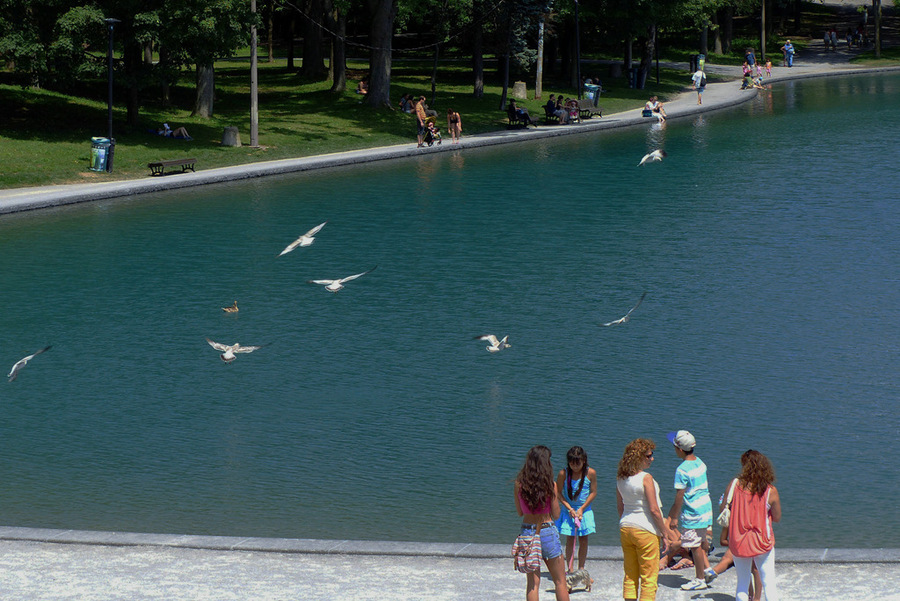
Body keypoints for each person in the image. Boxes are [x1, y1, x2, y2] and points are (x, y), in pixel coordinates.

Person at [616, 439, 676, 601]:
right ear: (638, 457)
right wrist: (665, 534)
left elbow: (620, 507)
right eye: (648, 456)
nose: (652, 459)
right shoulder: (645, 478)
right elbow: (654, 510)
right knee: (649, 578)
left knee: (630, 574)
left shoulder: (621, 478)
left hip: (626, 527)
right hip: (645, 531)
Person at [721, 450, 782, 601]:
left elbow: (723, 509)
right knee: (769, 583)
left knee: (742, 583)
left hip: (738, 541)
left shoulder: (734, 485)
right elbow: (777, 517)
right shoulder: (770, 491)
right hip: (762, 541)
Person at [514, 445, 571, 601]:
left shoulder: (519, 484)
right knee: (560, 581)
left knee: (532, 584)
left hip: (527, 533)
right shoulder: (550, 485)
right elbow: (556, 515)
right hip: (547, 531)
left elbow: (520, 512)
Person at [665, 430, 715, 591]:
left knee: (694, 546)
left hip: (693, 513)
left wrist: (674, 517)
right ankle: (707, 570)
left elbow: (680, 495)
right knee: (700, 541)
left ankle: (699, 579)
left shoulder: (682, 470)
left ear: (680, 449)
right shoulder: (700, 463)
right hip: (705, 509)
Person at [555, 446, 597, 572]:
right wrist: (569, 508)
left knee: (583, 539)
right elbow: (558, 493)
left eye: (577, 463)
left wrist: (582, 509)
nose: (575, 466)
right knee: (570, 538)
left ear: (584, 461)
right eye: (572, 463)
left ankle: (581, 569)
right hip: (569, 510)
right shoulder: (563, 473)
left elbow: (593, 492)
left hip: (584, 510)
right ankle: (570, 569)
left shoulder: (590, 473)